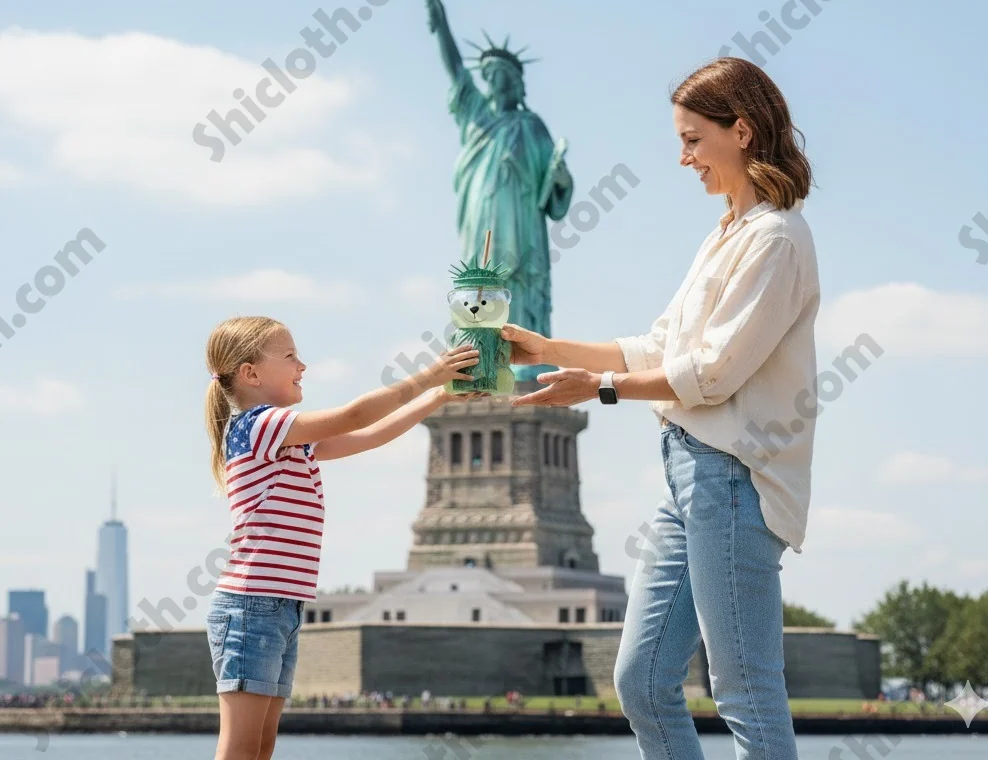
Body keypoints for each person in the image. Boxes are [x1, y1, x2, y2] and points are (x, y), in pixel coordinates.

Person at [501, 57, 817, 759]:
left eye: (694, 139)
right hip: (690, 480)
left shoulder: (776, 238)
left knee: (743, 688)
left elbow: (711, 374)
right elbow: (660, 346)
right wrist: (548, 349)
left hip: (732, 478)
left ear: (741, 131)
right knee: (642, 681)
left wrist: (599, 389)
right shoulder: (726, 235)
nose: (684, 158)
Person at [202, 315, 478, 760]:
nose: (302, 365)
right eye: (290, 356)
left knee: (260, 745)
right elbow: (354, 414)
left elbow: (368, 435)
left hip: (279, 606)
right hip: (252, 604)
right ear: (250, 374)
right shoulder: (262, 425)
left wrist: (441, 395)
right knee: (239, 746)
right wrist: (431, 374)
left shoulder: (286, 437)